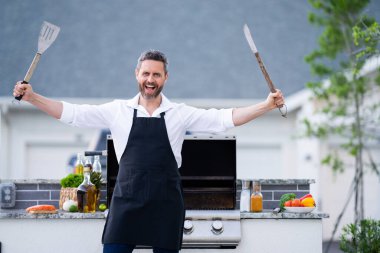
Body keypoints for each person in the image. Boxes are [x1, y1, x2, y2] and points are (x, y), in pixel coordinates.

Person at [13, 50, 284, 253]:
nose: (150, 80)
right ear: (137, 75)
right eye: (146, 73)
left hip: (166, 205)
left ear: (165, 77)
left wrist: (266, 106)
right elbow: (72, 113)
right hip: (126, 203)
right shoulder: (117, 110)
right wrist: (32, 98)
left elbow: (226, 119)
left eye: (156, 74)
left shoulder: (179, 113)